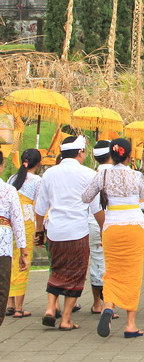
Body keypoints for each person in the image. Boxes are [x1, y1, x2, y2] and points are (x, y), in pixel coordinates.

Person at [82, 138, 144, 338]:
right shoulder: (136, 176)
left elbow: (85, 197)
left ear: (112, 155)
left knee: (112, 271)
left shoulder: (103, 174)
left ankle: (108, 306)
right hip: (134, 226)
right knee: (133, 273)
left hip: (112, 227)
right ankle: (130, 324)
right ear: (129, 155)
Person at [34, 135, 103, 331]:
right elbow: (96, 208)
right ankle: (66, 319)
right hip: (77, 231)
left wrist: (39, 230)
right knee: (76, 273)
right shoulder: (88, 174)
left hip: (55, 230)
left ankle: (50, 308)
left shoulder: (49, 174)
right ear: (80, 153)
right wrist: (104, 229)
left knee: (57, 269)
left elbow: (40, 207)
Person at [6, 148, 41, 318]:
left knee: (11, 260)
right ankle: (19, 307)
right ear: (39, 163)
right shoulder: (37, 180)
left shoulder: (12, 178)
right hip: (27, 222)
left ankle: (10, 304)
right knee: (24, 259)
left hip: (10, 222)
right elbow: (39, 205)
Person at [0, 150, 29, 327]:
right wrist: (23, 251)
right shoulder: (8, 190)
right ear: (2, 166)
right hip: (2, 244)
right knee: (2, 287)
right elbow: (18, 222)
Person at [88, 140, 112, 314]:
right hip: (109, 223)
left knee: (96, 262)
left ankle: (96, 303)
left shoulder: (92, 175)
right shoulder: (116, 174)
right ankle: (108, 304)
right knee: (110, 264)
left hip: (90, 222)